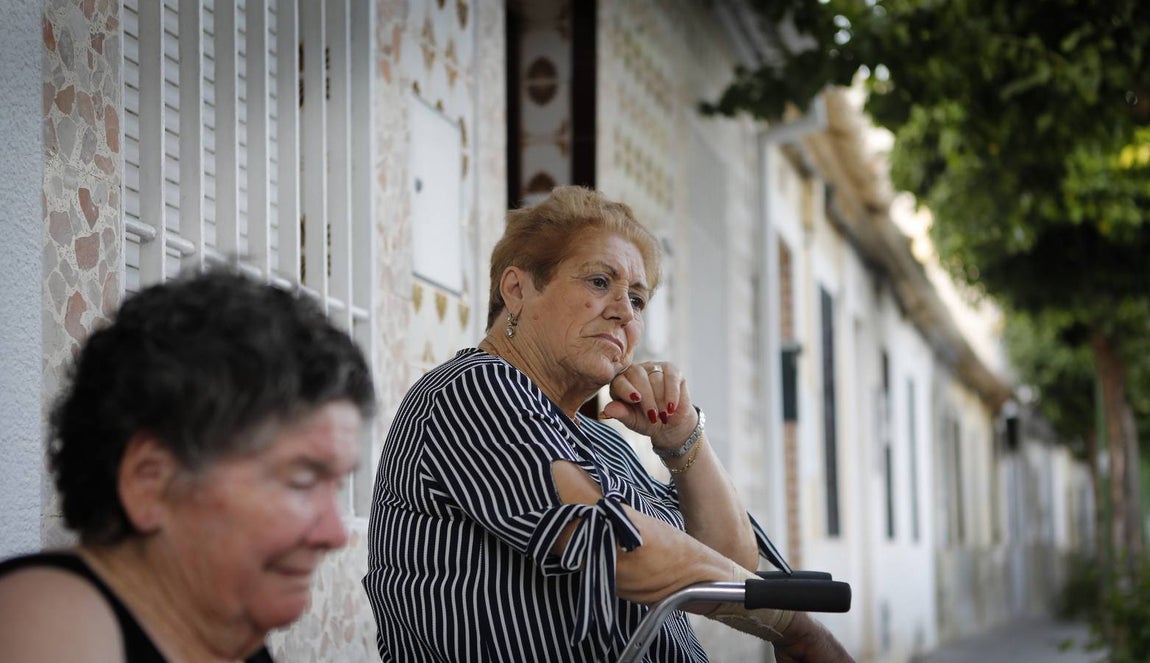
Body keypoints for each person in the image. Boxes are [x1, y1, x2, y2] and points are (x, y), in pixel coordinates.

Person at [363, 186, 853, 662]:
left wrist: (681, 439)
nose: (623, 312)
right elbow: (621, 547)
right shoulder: (473, 389)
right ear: (517, 289)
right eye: (600, 282)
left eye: (637, 299)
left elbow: (731, 567)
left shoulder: (600, 438)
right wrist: (796, 626)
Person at [0, 269, 376, 662]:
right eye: (300, 480)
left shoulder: (228, 638)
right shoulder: (49, 620)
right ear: (151, 482)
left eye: (337, 486)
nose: (334, 534)